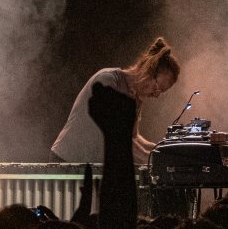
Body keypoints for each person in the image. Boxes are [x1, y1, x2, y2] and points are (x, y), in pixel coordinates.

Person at [49, 37, 180, 163]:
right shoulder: (107, 80)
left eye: (161, 92)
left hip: (90, 166)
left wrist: (161, 149)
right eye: (157, 88)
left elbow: (133, 137)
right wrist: (149, 157)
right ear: (148, 71)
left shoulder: (136, 100)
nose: (156, 95)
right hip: (66, 161)